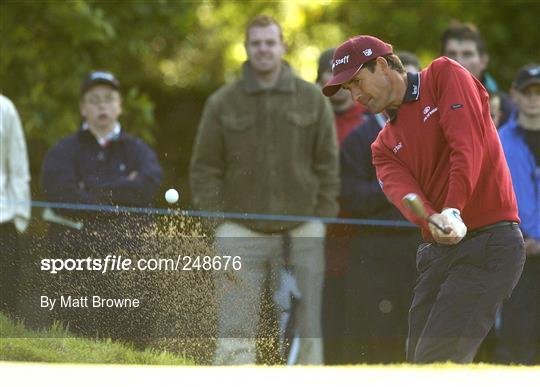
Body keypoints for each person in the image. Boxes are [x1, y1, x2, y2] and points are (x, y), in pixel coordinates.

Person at [322, 35, 525, 363]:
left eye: (358, 82)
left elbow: (466, 146)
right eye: (349, 91)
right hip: (440, 252)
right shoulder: (383, 148)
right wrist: (433, 219)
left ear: (383, 65)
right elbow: (407, 197)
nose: (356, 96)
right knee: (418, 363)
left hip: (491, 242)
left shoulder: (445, 76)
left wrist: (453, 209)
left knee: (438, 360)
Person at [190, 15, 339, 365]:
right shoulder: (222, 102)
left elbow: (328, 165)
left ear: (283, 46)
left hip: (303, 226)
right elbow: (204, 169)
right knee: (235, 326)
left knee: (307, 324)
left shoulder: (312, 99)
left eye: (270, 42)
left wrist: (321, 219)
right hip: (240, 227)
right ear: (246, 48)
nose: (263, 50)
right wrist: (218, 222)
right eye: (256, 43)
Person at [41, 71, 163, 343]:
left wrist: (89, 191)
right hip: (73, 259)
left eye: (109, 99)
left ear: (120, 105)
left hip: (130, 260)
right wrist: (122, 187)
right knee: (71, 343)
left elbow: (146, 187)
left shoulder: (139, 151)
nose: (102, 106)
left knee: (130, 345)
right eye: (94, 100)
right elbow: (61, 195)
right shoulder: (63, 150)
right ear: (83, 108)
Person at [340, 51, 422, 364]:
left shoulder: (429, 128)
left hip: (422, 247)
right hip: (375, 252)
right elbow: (352, 197)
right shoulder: (358, 140)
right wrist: (398, 189)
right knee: (380, 337)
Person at [315, 48, 366, 364]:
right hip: (319, 237)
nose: (338, 85)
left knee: (355, 318)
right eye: (330, 76)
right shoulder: (310, 121)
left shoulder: (370, 123)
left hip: (359, 238)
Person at [496, 64, 540, 365]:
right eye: (527, 92)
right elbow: (493, 191)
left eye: (539, 92)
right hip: (516, 250)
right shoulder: (499, 139)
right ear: (515, 95)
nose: (534, 99)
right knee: (517, 335)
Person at [440, 22, 514, 127]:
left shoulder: (506, 108)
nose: (458, 61)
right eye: (452, 54)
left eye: (467, 54)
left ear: (483, 61)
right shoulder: (427, 103)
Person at [0, 95, 31, 318]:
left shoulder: (5, 108)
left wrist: (20, 217)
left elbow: (18, 166)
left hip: (3, 221)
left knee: (5, 311)